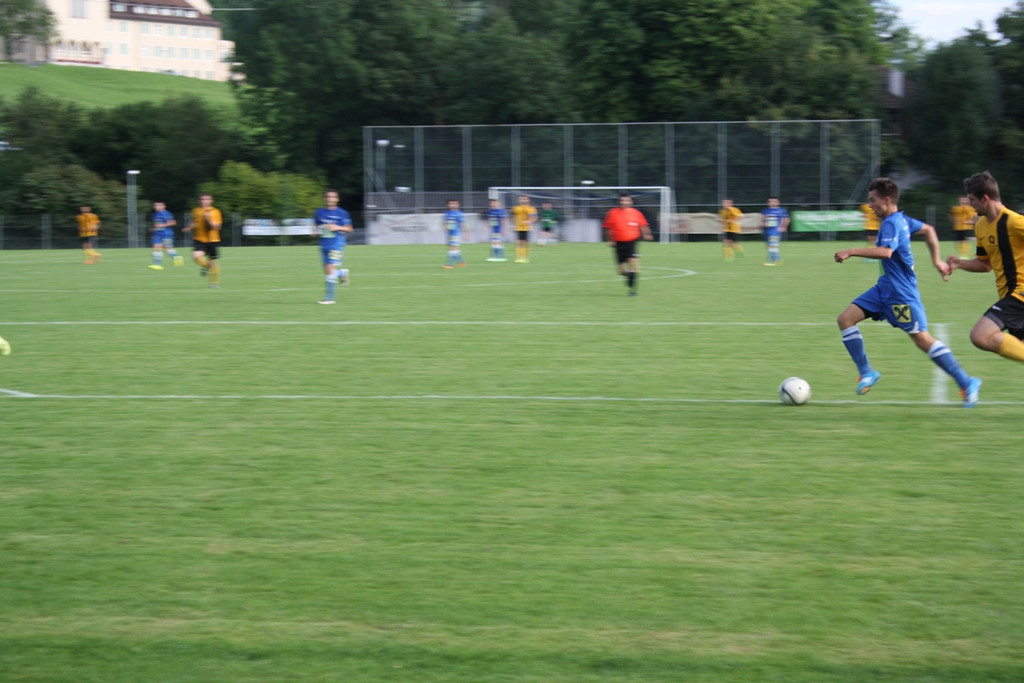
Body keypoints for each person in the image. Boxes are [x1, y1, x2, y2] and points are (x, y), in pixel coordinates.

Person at [834, 177, 981, 407]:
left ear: (887, 199)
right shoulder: (902, 219)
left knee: (922, 339)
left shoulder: (892, 223)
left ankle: (966, 381)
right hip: (883, 288)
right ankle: (866, 372)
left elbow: (886, 252)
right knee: (845, 319)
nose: (870, 205)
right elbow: (929, 230)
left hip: (901, 295)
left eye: (873, 200)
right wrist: (936, 261)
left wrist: (850, 251)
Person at [946, 170, 1024, 365]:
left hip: (1020, 294)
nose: (970, 205)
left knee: (980, 335)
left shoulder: (1014, 222)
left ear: (985, 198)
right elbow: (985, 264)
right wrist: (959, 263)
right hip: (1007, 296)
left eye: (972, 200)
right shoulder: (980, 225)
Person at [602, 193, 653, 296]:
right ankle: (629, 275)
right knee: (621, 271)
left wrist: (647, 234)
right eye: (622, 200)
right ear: (619, 202)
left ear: (630, 202)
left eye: (626, 200)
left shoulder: (636, 213)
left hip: (632, 242)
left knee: (633, 264)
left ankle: (633, 291)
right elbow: (607, 228)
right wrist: (609, 240)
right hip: (618, 243)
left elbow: (643, 225)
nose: (624, 202)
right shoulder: (612, 213)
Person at [313, 189, 353, 304]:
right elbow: (316, 224)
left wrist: (337, 228)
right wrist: (314, 231)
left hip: (336, 245)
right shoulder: (319, 212)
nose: (330, 199)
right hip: (323, 245)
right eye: (328, 196)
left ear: (337, 199)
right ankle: (342, 273)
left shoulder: (342, 213)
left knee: (330, 270)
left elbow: (349, 228)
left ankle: (329, 299)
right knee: (328, 272)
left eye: (332, 197)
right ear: (324, 198)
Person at [183, 193, 223, 288]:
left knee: (213, 262)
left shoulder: (215, 212)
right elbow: (195, 222)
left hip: (212, 240)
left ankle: (214, 283)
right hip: (199, 239)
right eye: (202, 199)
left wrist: (208, 219)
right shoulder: (196, 210)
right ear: (199, 200)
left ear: (211, 201)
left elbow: (217, 227)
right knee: (196, 256)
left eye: (206, 199)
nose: (204, 201)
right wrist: (189, 228)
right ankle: (207, 266)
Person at [147, 201, 183, 270]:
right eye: (156, 205)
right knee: (156, 247)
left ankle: (176, 257)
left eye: (159, 205)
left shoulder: (166, 213)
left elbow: (173, 223)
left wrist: (162, 225)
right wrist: (154, 228)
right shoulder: (155, 215)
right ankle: (157, 264)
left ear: (164, 206)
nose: (157, 207)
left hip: (167, 234)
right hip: (158, 234)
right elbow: (157, 225)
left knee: (167, 249)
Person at [760, 196, 790, 265]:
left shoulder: (781, 211)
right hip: (767, 231)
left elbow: (787, 219)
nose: (772, 203)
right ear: (768, 202)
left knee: (773, 245)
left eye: (774, 201)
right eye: (770, 201)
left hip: (776, 231)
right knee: (769, 246)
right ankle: (778, 259)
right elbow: (762, 219)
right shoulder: (765, 211)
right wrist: (763, 223)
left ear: (778, 202)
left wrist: (784, 227)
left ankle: (772, 261)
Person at [509, 194, 537, 263]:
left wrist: (529, 221)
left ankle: (525, 258)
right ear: (519, 200)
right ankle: (518, 258)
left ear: (528, 200)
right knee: (518, 242)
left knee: (524, 243)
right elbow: (513, 217)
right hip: (518, 227)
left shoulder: (531, 208)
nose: (523, 200)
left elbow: (535, 218)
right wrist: (513, 225)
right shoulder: (515, 208)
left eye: (524, 199)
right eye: (521, 199)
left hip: (526, 228)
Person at [442, 199, 467, 269]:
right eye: (451, 204)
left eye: (454, 203)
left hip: (456, 233)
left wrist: (465, 234)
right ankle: (461, 261)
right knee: (452, 248)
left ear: (458, 205)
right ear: (448, 205)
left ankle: (450, 264)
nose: (452, 205)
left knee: (452, 248)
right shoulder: (447, 213)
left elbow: (462, 224)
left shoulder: (459, 214)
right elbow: (445, 222)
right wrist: (444, 226)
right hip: (450, 233)